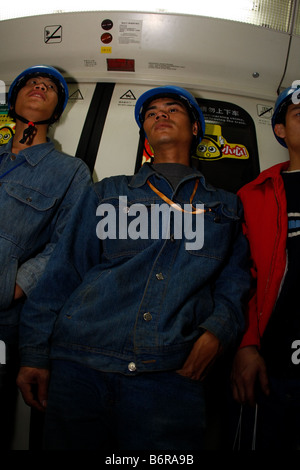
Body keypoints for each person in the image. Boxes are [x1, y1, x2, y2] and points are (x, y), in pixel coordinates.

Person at [17, 85, 250, 451]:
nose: (160, 114)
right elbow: (62, 275)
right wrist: (33, 353)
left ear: (194, 130)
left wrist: (217, 333)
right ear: (145, 134)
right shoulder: (107, 193)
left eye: (173, 109)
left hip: (170, 375)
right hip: (80, 365)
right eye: (151, 112)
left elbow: (235, 284)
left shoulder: (226, 208)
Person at [0, 65, 92, 449]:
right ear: (12, 101)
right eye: (31, 83)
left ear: (56, 112)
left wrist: (15, 286)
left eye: (50, 87)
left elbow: (66, 246)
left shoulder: (71, 172)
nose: (40, 87)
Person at [231, 82, 300, 449]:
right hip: (271, 367)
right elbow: (240, 278)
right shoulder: (253, 194)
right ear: (280, 129)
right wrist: (245, 346)